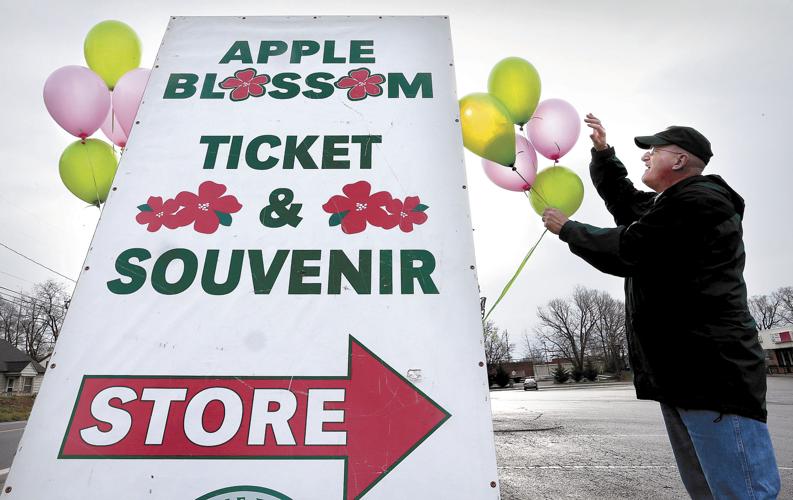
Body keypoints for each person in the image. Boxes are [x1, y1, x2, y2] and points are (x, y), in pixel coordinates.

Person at [541, 114, 781, 499]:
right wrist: (603, 154)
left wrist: (569, 229)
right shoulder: (668, 205)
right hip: (682, 379)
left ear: (681, 161)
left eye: (654, 150)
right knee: (708, 490)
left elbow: (632, 247)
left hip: (714, 377)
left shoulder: (702, 203)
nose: (645, 158)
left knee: (742, 492)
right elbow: (625, 202)